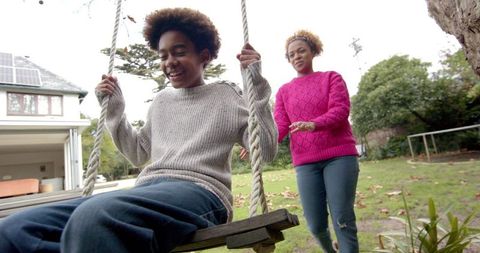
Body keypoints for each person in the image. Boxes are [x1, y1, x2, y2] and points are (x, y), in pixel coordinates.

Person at [0, 7, 277, 253]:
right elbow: (137, 153)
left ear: (203, 55)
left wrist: (256, 85)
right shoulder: (162, 101)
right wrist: (116, 111)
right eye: (163, 55)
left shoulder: (227, 96)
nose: (169, 62)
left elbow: (264, 151)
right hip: (148, 190)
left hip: (201, 193)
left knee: (94, 219)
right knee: (16, 229)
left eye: (179, 52)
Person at [274, 30, 360, 253]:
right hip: (305, 163)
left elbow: (341, 110)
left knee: (342, 218)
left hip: (339, 156)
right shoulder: (284, 91)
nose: (297, 57)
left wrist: (314, 124)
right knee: (315, 224)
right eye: (291, 54)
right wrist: (262, 145)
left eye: (301, 51)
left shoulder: (331, 78)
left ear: (313, 51)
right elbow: (281, 126)